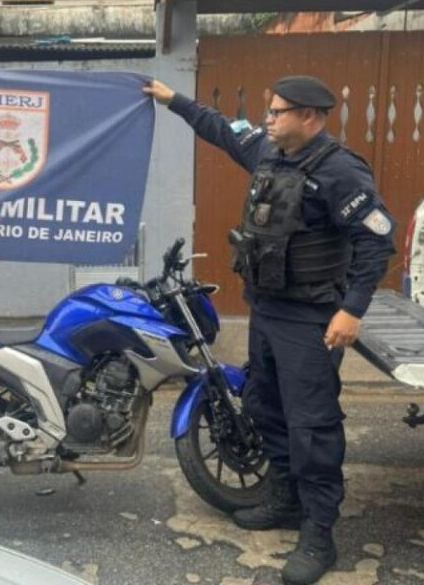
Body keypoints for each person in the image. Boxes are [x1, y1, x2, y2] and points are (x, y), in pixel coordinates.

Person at [144, 76, 395, 585]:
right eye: (270, 111)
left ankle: (319, 532)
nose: (269, 119)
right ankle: (283, 499)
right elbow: (218, 128)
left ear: (311, 117)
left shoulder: (340, 171)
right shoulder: (267, 151)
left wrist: (352, 310)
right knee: (264, 406)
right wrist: (174, 101)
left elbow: (376, 244)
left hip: (312, 318)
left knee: (312, 426)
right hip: (269, 310)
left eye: (279, 112)